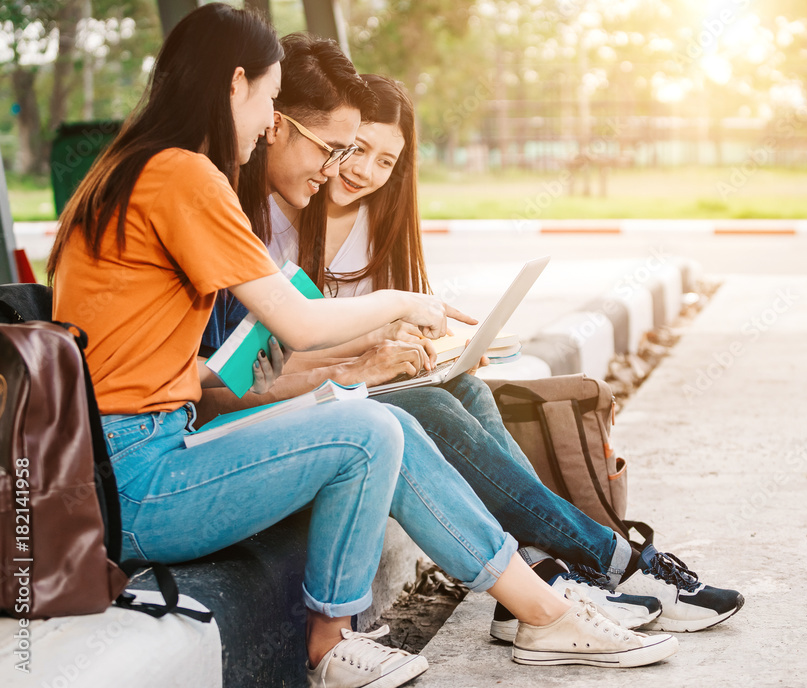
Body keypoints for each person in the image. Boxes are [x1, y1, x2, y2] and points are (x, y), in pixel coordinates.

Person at [47, 7, 676, 688]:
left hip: (124, 463)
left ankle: (541, 608)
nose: (265, 125)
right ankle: (341, 642)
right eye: (267, 100)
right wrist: (409, 303)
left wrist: (307, 382)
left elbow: (155, 368)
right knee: (369, 430)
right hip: (136, 481)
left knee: (388, 422)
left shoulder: (132, 168)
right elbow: (300, 325)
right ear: (236, 85)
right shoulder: (182, 176)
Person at [196, 37, 745, 643]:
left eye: (379, 158)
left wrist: (397, 348)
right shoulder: (235, 214)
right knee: (426, 407)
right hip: (262, 433)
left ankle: (544, 577)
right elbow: (252, 366)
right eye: (340, 149)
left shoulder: (285, 207)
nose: (346, 168)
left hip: (291, 408)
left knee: (466, 392)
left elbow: (262, 359)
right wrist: (370, 355)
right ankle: (613, 560)